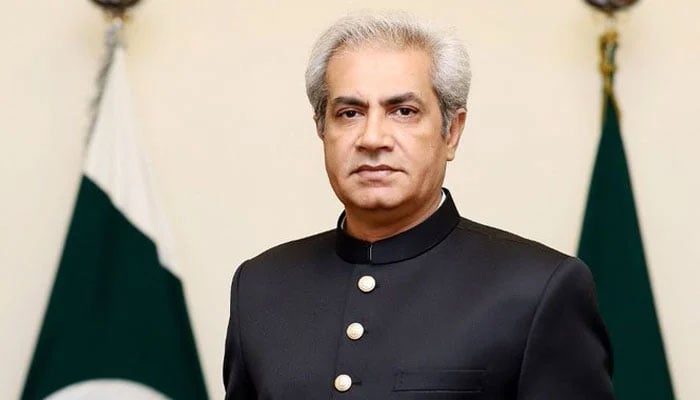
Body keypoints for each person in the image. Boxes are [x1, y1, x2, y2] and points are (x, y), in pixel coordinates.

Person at [223, 11, 614, 400]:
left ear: (451, 131)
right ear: (322, 129)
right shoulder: (260, 287)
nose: (372, 138)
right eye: (350, 113)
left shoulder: (538, 289)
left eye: (403, 112)